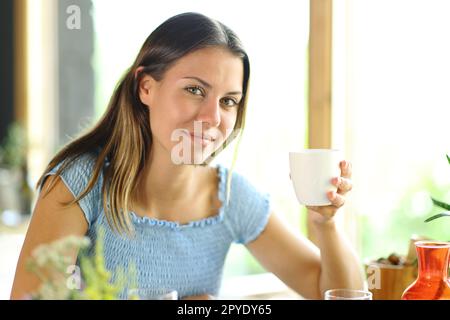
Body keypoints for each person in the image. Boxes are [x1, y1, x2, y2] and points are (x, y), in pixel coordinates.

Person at [11, 12, 363, 300]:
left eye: (228, 101)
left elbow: (338, 294)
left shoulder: (230, 198)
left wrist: (326, 224)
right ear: (145, 87)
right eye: (195, 90)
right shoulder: (77, 185)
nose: (212, 117)